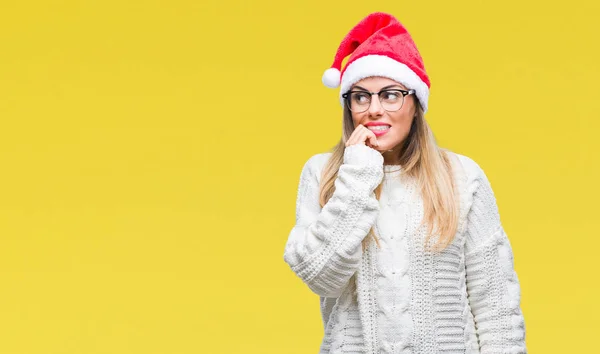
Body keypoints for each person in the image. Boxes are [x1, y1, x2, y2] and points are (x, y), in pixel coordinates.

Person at [282, 12, 527, 354]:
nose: (374, 109)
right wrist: (358, 175)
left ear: (415, 103)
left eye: (391, 94)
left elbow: (497, 306)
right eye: (360, 96)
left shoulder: (461, 176)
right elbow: (322, 276)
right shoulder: (323, 173)